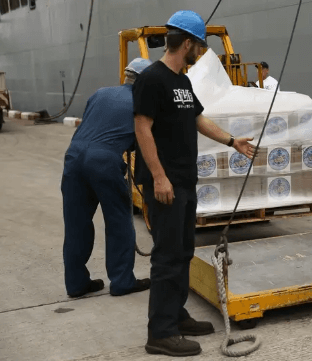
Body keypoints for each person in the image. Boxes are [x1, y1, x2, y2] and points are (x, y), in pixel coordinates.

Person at [133, 10, 256, 357]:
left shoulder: (182, 83)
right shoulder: (152, 79)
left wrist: (233, 141)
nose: (199, 53)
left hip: (185, 182)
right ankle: (160, 332)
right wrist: (159, 176)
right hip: (165, 185)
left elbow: (197, 118)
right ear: (186, 43)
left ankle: (176, 313)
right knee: (168, 257)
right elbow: (142, 127)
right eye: (198, 47)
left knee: (183, 252)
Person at [61, 58, 153, 298]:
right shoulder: (142, 103)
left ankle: (76, 284)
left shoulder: (100, 93)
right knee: (119, 221)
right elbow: (142, 140)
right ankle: (122, 282)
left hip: (73, 157)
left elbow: (96, 125)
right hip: (103, 161)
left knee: (76, 224)